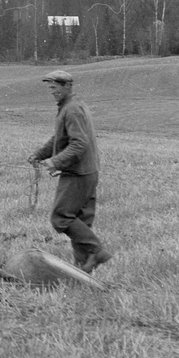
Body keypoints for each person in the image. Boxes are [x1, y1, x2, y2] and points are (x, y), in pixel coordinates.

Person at [28, 69, 113, 274]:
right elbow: (60, 137)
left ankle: (97, 251)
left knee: (61, 217)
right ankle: (83, 269)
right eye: (50, 88)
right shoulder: (70, 107)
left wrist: (55, 162)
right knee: (81, 221)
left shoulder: (72, 110)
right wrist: (40, 154)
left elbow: (79, 144)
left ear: (68, 86)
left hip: (78, 173)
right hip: (88, 171)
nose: (53, 92)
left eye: (56, 88)